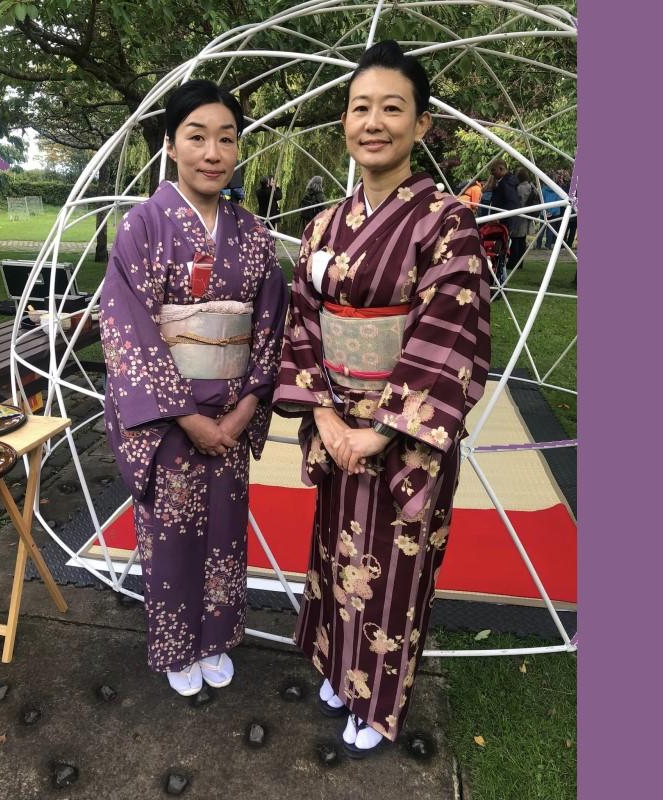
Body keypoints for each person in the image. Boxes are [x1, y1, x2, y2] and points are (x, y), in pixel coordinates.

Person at [274, 40, 490, 757]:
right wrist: (328, 417)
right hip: (338, 421)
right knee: (337, 556)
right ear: (344, 123)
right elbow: (304, 322)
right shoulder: (320, 227)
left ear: (421, 126)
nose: (374, 121)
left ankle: (377, 703)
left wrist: (380, 431)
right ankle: (341, 669)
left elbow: (448, 331)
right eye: (361, 107)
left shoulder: (446, 222)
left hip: (402, 434)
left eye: (392, 108)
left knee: (393, 568)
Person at [100, 79, 289, 699]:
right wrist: (185, 415)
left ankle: (215, 639)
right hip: (172, 421)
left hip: (232, 413)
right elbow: (128, 329)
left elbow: (270, 324)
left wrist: (247, 405)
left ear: (238, 150)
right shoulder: (142, 226)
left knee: (224, 532)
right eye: (197, 136)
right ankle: (176, 644)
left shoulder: (253, 235)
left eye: (226, 139)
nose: (213, 152)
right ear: (171, 145)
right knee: (174, 535)